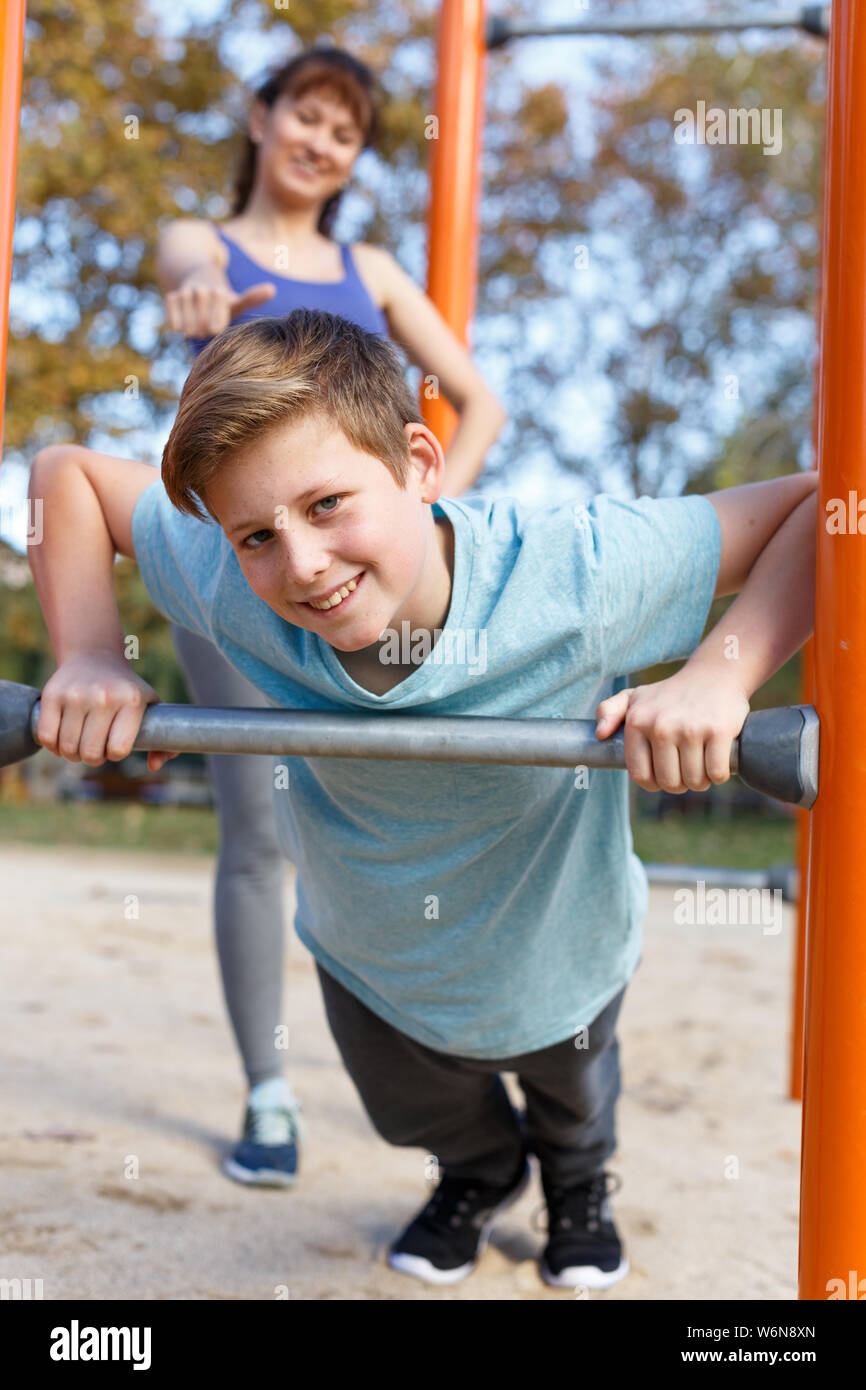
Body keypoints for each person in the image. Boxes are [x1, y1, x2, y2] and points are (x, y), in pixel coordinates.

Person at [27, 309, 816, 1290]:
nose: (301, 563)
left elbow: (823, 507)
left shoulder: (572, 570)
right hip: (371, 948)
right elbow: (69, 475)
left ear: (417, 463)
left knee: (571, 1092)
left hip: (553, 940)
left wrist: (717, 675)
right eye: (256, 535)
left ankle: (577, 1183)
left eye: (326, 505)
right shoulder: (235, 582)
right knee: (411, 1106)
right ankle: (478, 1172)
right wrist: (94, 656)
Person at [154, 47, 506, 1189]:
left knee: (416, 809)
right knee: (263, 832)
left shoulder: (373, 265)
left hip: (371, 580)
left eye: (344, 132)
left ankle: (458, 1068)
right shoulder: (203, 245)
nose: (320, 141)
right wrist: (197, 308)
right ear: (259, 118)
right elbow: (181, 278)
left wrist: (427, 505)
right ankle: (268, 1090)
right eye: (304, 115)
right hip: (244, 576)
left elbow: (480, 398)